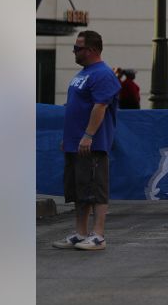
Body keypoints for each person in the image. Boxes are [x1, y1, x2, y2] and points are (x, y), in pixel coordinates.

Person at [51, 30, 120, 251]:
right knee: (79, 189)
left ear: (91, 50)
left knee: (96, 187)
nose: (74, 51)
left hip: (92, 143)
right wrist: (69, 139)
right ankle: (81, 233)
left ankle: (98, 235)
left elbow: (100, 106)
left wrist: (88, 135)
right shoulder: (83, 73)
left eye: (78, 48)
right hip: (75, 142)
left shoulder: (102, 74)